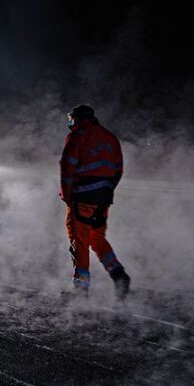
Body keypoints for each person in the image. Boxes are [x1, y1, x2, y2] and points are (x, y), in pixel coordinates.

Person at [60, 104, 131, 297]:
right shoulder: (110, 138)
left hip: (82, 198)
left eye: (71, 119)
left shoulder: (77, 137)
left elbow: (67, 169)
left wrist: (67, 196)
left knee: (80, 240)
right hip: (103, 199)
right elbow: (118, 171)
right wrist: (105, 192)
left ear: (76, 119)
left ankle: (80, 290)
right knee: (96, 238)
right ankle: (119, 275)